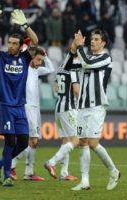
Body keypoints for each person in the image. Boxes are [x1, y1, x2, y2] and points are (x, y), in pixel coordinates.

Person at [0, 2, 38, 186]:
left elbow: (36, 42)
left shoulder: (25, 58)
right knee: (10, 141)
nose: (11, 46)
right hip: (5, 105)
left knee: (23, 143)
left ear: (21, 46)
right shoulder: (1, 57)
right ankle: (7, 175)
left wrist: (25, 25)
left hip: (19, 106)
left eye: (15, 43)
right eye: (10, 43)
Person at [64, 29, 120, 191]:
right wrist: (74, 47)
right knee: (83, 142)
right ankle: (85, 181)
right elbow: (69, 66)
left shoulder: (105, 57)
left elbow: (87, 63)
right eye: (92, 39)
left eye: (96, 39)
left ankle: (113, 171)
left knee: (93, 143)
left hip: (97, 105)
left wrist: (80, 47)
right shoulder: (84, 56)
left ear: (103, 43)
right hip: (82, 104)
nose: (93, 41)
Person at [10, 47, 54, 181]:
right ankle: (11, 165)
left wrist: (45, 56)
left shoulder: (36, 70)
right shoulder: (24, 68)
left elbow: (51, 69)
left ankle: (28, 173)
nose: (40, 62)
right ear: (32, 57)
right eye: (38, 59)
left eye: (42, 60)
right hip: (27, 107)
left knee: (34, 142)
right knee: (31, 140)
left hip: (36, 109)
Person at [44, 42, 80, 181]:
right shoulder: (73, 69)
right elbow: (76, 91)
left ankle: (64, 173)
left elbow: (55, 88)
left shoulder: (60, 69)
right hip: (69, 108)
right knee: (76, 139)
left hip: (59, 106)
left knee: (66, 141)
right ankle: (52, 162)